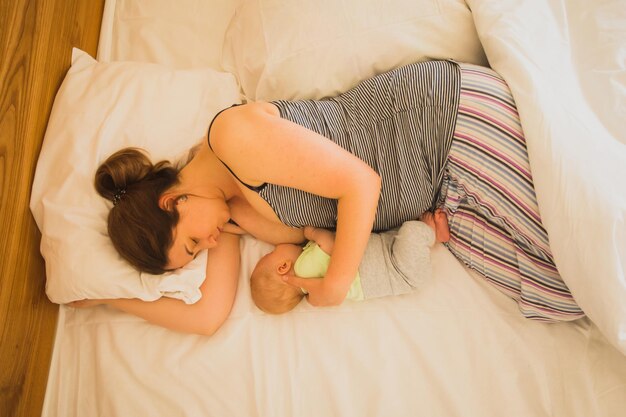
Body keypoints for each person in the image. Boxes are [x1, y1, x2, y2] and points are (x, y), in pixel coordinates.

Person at [77, 60, 584, 335]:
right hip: (438, 195)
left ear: (173, 203)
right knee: (554, 294)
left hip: (437, 130)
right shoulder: (224, 210)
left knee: (584, 255)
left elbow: (360, 183)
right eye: (197, 251)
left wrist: (337, 282)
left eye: (192, 242)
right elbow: (209, 317)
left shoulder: (232, 140)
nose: (207, 245)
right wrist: (107, 297)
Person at [251, 210, 450, 314]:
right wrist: (312, 232)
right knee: (410, 231)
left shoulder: (313, 292)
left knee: (398, 236)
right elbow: (330, 243)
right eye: (272, 252)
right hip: (399, 267)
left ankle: (428, 240)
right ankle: (432, 232)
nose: (276, 247)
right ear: (282, 267)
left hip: (395, 265)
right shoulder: (303, 267)